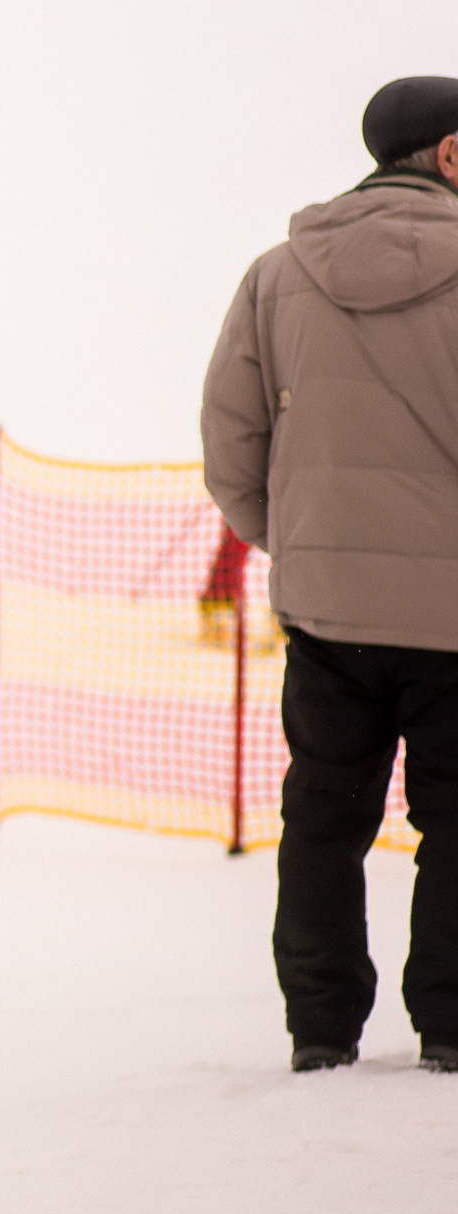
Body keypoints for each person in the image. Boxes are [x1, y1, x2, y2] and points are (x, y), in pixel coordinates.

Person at [202, 75, 458, 1075]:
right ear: (447, 154)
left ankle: (320, 1031)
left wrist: (304, 547)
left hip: (327, 615)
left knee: (320, 814)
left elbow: (231, 445)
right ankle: (448, 1027)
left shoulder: (276, 274)